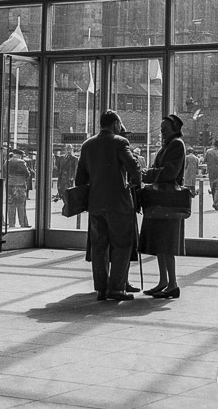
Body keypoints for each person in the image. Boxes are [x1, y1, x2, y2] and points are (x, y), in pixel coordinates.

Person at [76, 109, 141, 301]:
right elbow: (133, 166)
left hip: (95, 204)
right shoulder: (120, 142)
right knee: (122, 245)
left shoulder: (87, 145)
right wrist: (136, 182)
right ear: (115, 124)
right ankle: (117, 288)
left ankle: (101, 289)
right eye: (120, 125)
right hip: (118, 203)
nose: (121, 128)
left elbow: (80, 178)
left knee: (99, 247)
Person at [140, 114, 186, 298]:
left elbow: (170, 171)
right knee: (161, 243)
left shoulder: (176, 145)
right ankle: (164, 282)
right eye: (161, 129)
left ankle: (172, 283)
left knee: (166, 244)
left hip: (167, 200)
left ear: (175, 129)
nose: (162, 132)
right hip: (162, 200)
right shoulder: (167, 146)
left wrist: (148, 174)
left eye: (165, 129)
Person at [7, 149, 31, 228]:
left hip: (10, 185)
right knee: (21, 205)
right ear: (20, 155)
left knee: (11, 205)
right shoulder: (21, 162)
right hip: (20, 186)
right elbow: (27, 174)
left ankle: (11, 223)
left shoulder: (7, 161)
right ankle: (23, 223)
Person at [203, 138, 218, 210]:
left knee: (213, 188)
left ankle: (216, 203)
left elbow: (205, 160)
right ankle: (216, 203)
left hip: (212, 172)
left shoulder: (208, 152)